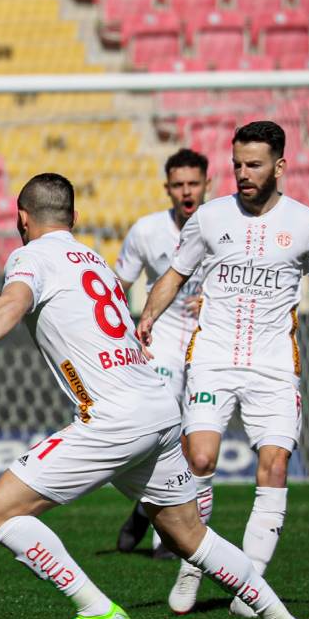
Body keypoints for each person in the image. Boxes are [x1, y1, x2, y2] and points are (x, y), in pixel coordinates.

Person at [0, 172, 309, 619]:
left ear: (20, 218)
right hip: (157, 405)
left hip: (114, 417)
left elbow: (13, 300)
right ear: (74, 218)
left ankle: (95, 610)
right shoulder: (92, 258)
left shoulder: (30, 257)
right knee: (187, 536)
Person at [137, 122, 309, 616]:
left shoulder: (306, 223)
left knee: (274, 464)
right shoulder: (210, 218)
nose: (242, 173)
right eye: (236, 164)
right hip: (212, 356)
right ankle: (195, 560)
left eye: (253, 164)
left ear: (279, 166)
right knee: (200, 460)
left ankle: (248, 584)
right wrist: (148, 315)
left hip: (274, 364)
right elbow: (174, 274)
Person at [112, 148, 210, 558]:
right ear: (167, 188)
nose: (186, 192)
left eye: (193, 184)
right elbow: (118, 283)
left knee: (195, 432)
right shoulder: (147, 231)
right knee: (165, 423)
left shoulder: (225, 226)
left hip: (211, 339)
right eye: (178, 185)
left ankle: (151, 518)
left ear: (207, 184)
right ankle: (162, 528)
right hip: (164, 338)